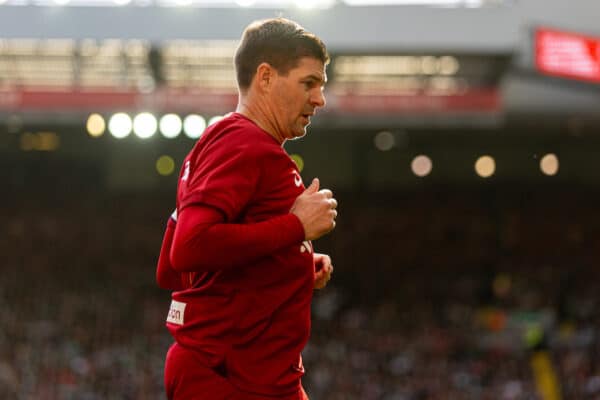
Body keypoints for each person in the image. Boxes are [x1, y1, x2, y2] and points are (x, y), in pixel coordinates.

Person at [155, 18, 338, 400]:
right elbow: (189, 248)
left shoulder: (229, 143)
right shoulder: (242, 143)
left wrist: (294, 260)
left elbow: (171, 271)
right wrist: (294, 228)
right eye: (309, 83)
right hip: (228, 377)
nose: (320, 99)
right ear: (266, 77)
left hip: (258, 375)